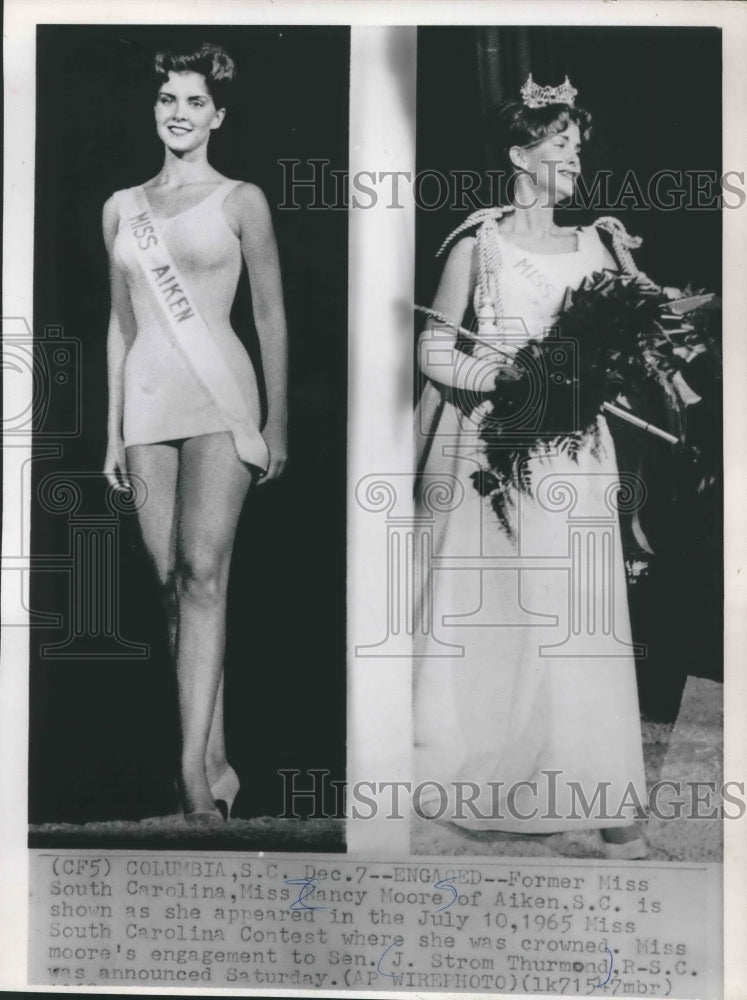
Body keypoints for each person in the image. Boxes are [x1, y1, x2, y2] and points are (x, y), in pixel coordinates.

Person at [413, 75, 648, 858]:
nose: (575, 156)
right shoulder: (478, 242)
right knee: (511, 620)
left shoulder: (598, 242)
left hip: (575, 454)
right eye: (559, 144)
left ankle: (611, 799)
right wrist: (505, 378)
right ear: (520, 153)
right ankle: (505, 780)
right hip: (501, 449)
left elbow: (638, 339)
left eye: (578, 144)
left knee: (584, 622)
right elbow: (435, 346)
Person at [102, 42, 288, 822]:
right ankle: (214, 761)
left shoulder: (240, 199)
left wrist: (278, 422)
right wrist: (111, 435)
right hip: (147, 400)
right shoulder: (121, 207)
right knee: (172, 588)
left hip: (221, 400)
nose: (178, 114)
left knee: (205, 574)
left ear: (218, 115)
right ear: (155, 109)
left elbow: (270, 315)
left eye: (193, 102)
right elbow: (117, 325)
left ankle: (188, 780)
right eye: (167, 100)